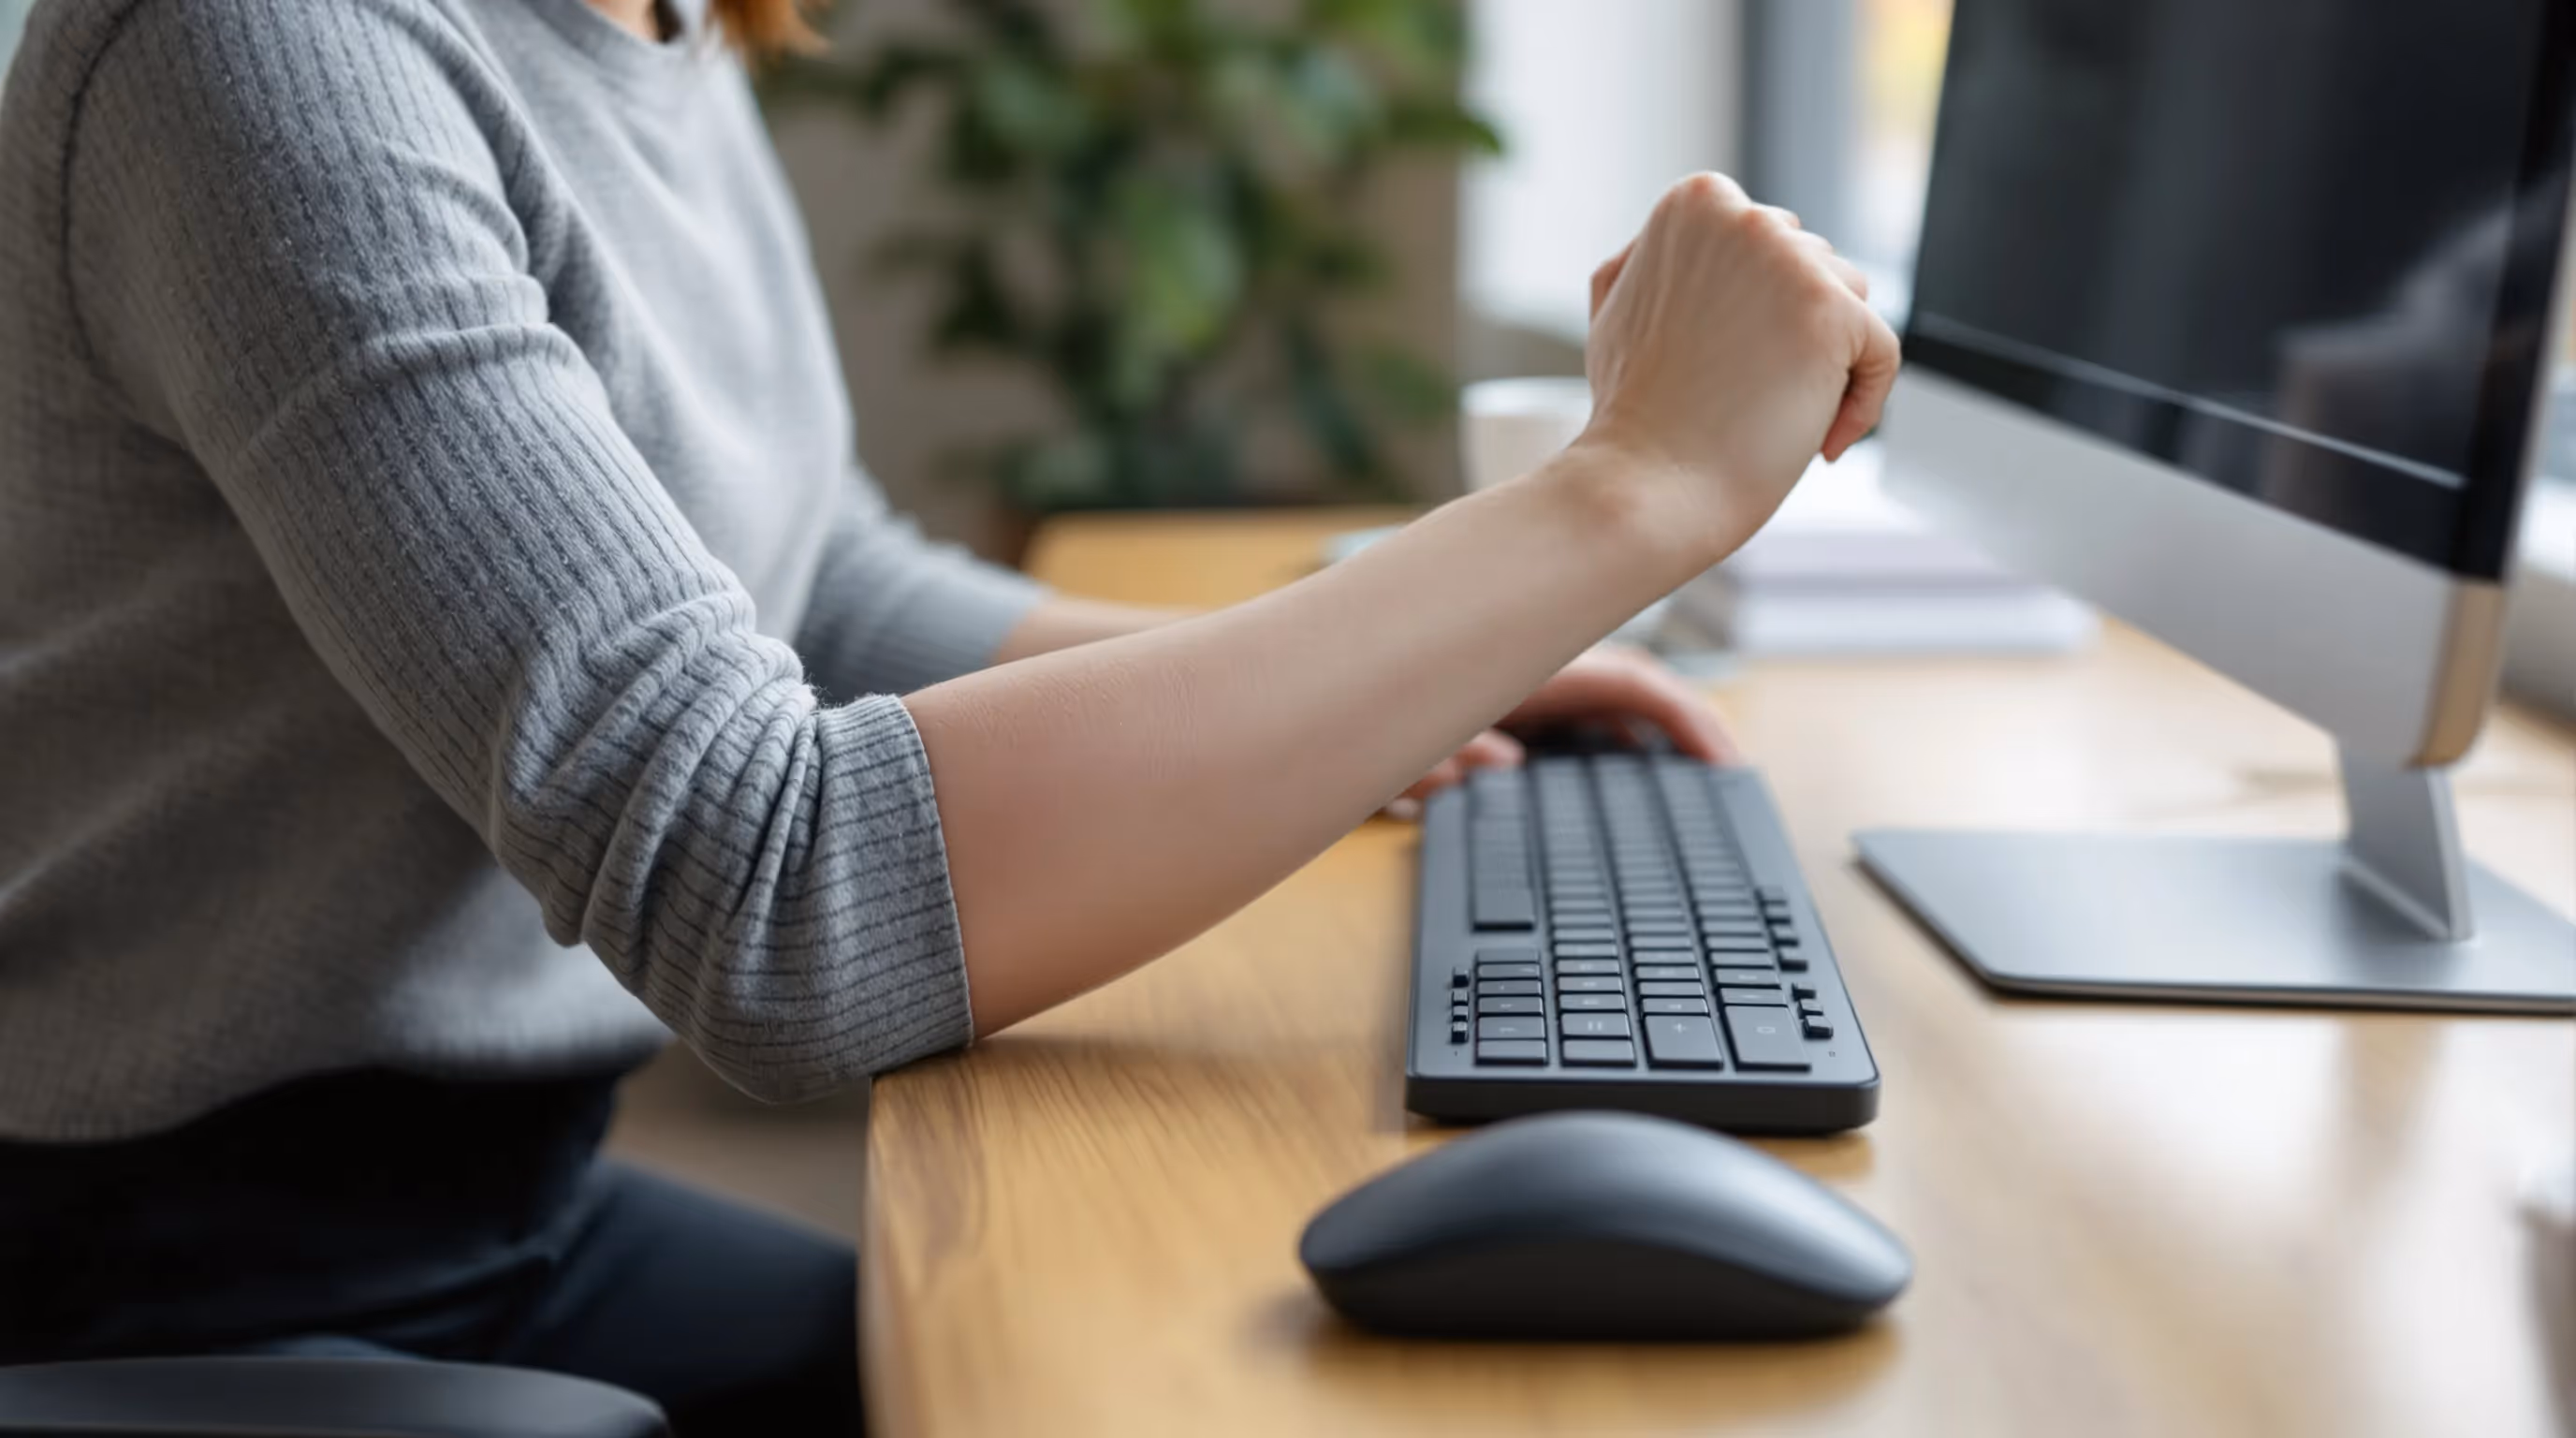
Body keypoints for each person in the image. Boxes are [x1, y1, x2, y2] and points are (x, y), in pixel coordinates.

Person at [0, 0, 1897, 1430]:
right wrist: (1618, 496)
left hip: (508, 1211)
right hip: (184, 1286)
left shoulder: (643, 20)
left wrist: (1364, 666)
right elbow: (772, 904)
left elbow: (813, 576)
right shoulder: (253, 56)